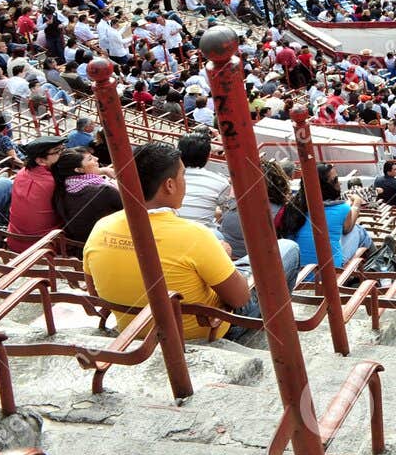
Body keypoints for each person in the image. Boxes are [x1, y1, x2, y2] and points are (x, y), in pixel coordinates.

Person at [83, 142, 301, 343]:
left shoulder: (100, 227)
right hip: (207, 330)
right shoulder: (193, 234)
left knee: (215, 240)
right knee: (287, 248)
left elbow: (95, 294)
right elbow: (240, 299)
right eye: (183, 176)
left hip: (133, 328)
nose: (184, 182)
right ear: (169, 185)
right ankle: (272, 327)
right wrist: (222, 257)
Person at [290, 162, 374, 266]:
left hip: (300, 274)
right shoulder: (341, 208)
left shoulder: (294, 208)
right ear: (327, 186)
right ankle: (381, 264)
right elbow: (348, 228)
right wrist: (357, 203)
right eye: (336, 180)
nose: (340, 183)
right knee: (359, 230)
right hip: (331, 273)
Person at [5, 134, 67, 253]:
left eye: (63, 148)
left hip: (14, 241)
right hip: (44, 247)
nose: (63, 153)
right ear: (41, 161)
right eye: (57, 151)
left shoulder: (22, 172)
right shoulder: (53, 182)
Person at [50, 146, 121, 248]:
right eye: (90, 159)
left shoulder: (64, 189)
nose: (96, 158)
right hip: (108, 243)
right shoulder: (104, 191)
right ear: (78, 169)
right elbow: (134, 208)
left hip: (84, 242)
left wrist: (103, 170)